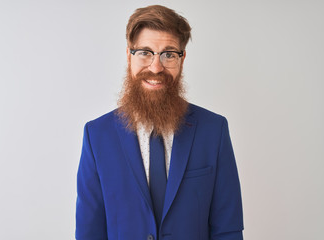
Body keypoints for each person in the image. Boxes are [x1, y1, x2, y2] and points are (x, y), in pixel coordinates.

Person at [76, 5, 244, 240]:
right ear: (128, 56)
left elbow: (228, 229)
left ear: (182, 59)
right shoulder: (97, 136)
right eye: (145, 52)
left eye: (168, 54)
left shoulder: (214, 131)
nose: (156, 67)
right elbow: (89, 233)